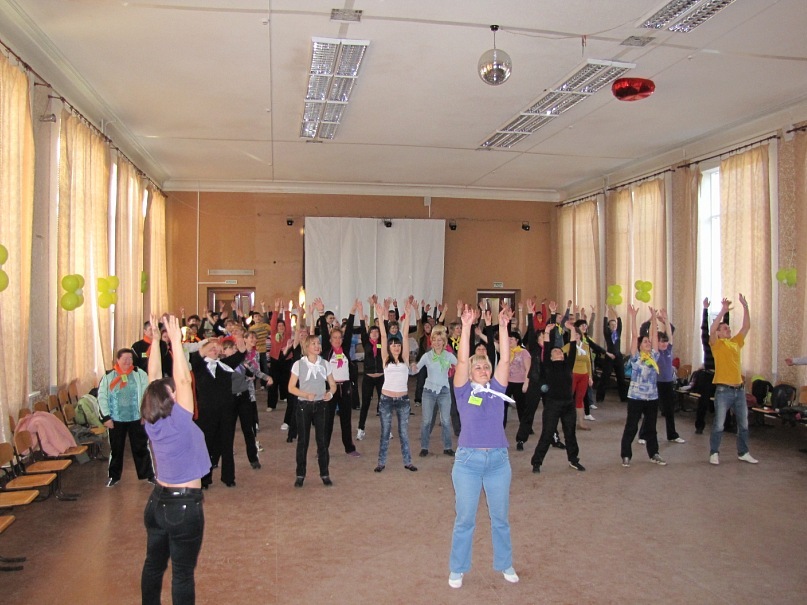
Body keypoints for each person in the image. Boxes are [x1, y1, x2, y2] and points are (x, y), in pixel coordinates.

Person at [448, 303, 518, 589]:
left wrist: (503, 326)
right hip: (468, 463)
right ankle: (457, 568)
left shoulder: (497, 390)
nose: (482, 368)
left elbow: (505, 361)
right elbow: (462, 362)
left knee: (500, 518)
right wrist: (466, 326)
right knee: (465, 519)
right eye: (477, 366)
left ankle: (505, 563)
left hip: (498, 462)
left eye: (485, 366)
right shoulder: (463, 391)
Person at [141, 315, 210, 605]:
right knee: (182, 574)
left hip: (157, 503)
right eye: (172, 391)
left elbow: (153, 378)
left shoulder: (150, 421)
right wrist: (177, 342)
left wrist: (157, 341)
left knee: (153, 565)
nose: (175, 388)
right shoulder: (180, 421)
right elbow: (182, 379)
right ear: (170, 398)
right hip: (183, 508)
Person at [530, 317, 584, 473]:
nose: (558, 352)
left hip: (568, 404)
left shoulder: (568, 364)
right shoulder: (548, 365)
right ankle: (537, 462)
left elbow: (572, 347)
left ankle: (573, 460)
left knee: (570, 433)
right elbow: (547, 348)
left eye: (559, 351)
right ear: (551, 356)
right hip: (553, 404)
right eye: (555, 351)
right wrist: (547, 331)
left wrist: (572, 329)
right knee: (547, 434)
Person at [709, 295, 758, 465]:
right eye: (725, 328)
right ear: (719, 333)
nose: (728, 330)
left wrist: (745, 306)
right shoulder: (717, 345)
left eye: (728, 328)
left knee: (743, 424)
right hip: (724, 391)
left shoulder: (735, 342)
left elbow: (746, 326)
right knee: (719, 425)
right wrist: (723, 311)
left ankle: (743, 452)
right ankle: (714, 452)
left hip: (739, 390)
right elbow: (712, 329)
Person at [288, 326, 337, 487]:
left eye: (318, 343)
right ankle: (300, 474)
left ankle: (325, 473)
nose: (317, 346)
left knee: (322, 441)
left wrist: (330, 393)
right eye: (314, 343)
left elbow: (332, 385)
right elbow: (291, 387)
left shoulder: (325, 364)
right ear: (307, 346)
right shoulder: (299, 364)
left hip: (321, 406)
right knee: (303, 441)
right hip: (304, 406)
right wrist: (304, 394)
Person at [98, 348, 154, 487]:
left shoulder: (140, 374)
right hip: (116, 419)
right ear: (118, 360)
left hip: (136, 417)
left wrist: (145, 414)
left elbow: (147, 395)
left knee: (141, 447)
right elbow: (102, 397)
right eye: (125, 359)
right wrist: (106, 417)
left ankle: (147, 474)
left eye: (130, 359)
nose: (128, 362)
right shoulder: (108, 376)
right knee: (116, 449)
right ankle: (114, 476)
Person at [619, 305, 667, 467]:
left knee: (651, 428)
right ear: (640, 346)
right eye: (645, 342)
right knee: (632, 427)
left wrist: (653, 318)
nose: (648, 343)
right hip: (636, 397)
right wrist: (633, 317)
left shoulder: (654, 356)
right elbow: (634, 336)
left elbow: (654, 335)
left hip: (652, 397)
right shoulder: (635, 358)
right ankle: (626, 455)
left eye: (649, 342)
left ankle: (654, 453)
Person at [374, 299, 418, 473]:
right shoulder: (385, 359)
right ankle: (381, 462)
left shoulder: (405, 359)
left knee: (404, 432)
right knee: (385, 432)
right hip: (386, 399)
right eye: (393, 345)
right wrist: (380, 316)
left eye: (398, 345)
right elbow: (384, 336)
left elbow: (405, 335)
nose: (396, 347)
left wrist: (408, 315)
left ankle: (408, 461)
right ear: (389, 347)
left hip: (403, 400)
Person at [413, 325, 457, 457]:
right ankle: (424, 447)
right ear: (431, 342)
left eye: (439, 340)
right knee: (426, 421)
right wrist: (411, 367)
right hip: (429, 391)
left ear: (444, 342)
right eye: (434, 340)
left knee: (445, 421)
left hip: (444, 391)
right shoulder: (427, 356)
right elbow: (415, 370)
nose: (437, 343)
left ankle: (447, 447)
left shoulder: (449, 356)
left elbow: (461, 365)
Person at [597, 306, 628, 402]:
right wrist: (606, 311)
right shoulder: (607, 333)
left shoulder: (618, 332)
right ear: (609, 326)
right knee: (605, 377)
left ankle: (623, 397)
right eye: (612, 325)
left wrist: (615, 312)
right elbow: (604, 324)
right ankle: (600, 397)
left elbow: (620, 322)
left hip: (618, 357)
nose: (614, 326)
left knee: (621, 377)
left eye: (615, 324)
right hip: (609, 357)